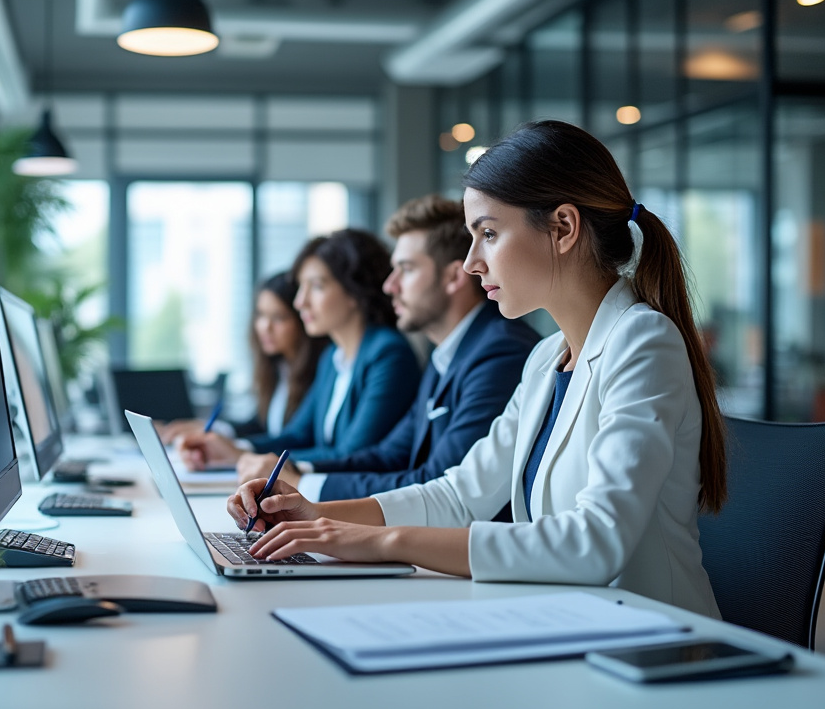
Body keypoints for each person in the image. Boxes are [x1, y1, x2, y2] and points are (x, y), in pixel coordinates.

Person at [226, 120, 727, 618]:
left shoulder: (643, 341)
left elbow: (593, 543)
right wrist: (315, 515)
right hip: (570, 623)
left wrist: (382, 542)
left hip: (655, 640)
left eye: (488, 233)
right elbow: (460, 495)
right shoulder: (544, 360)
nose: (470, 263)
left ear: (564, 228)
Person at [237, 194, 541, 505]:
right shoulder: (446, 355)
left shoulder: (499, 352)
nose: (389, 285)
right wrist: (296, 470)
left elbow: (439, 482)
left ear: (452, 277)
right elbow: (391, 453)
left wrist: (305, 484)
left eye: (406, 269)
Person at [180, 228, 421, 466]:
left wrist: (248, 459)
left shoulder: (388, 354)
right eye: (301, 287)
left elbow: (352, 453)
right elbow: (297, 435)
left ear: (354, 292)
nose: (300, 302)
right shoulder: (332, 358)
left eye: (316, 286)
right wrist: (237, 450)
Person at [159, 272, 328, 443]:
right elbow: (260, 425)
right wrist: (211, 430)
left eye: (279, 318)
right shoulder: (280, 369)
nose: (265, 327)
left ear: (302, 319)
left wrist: (237, 449)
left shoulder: (321, 373)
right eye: (261, 315)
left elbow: (293, 439)